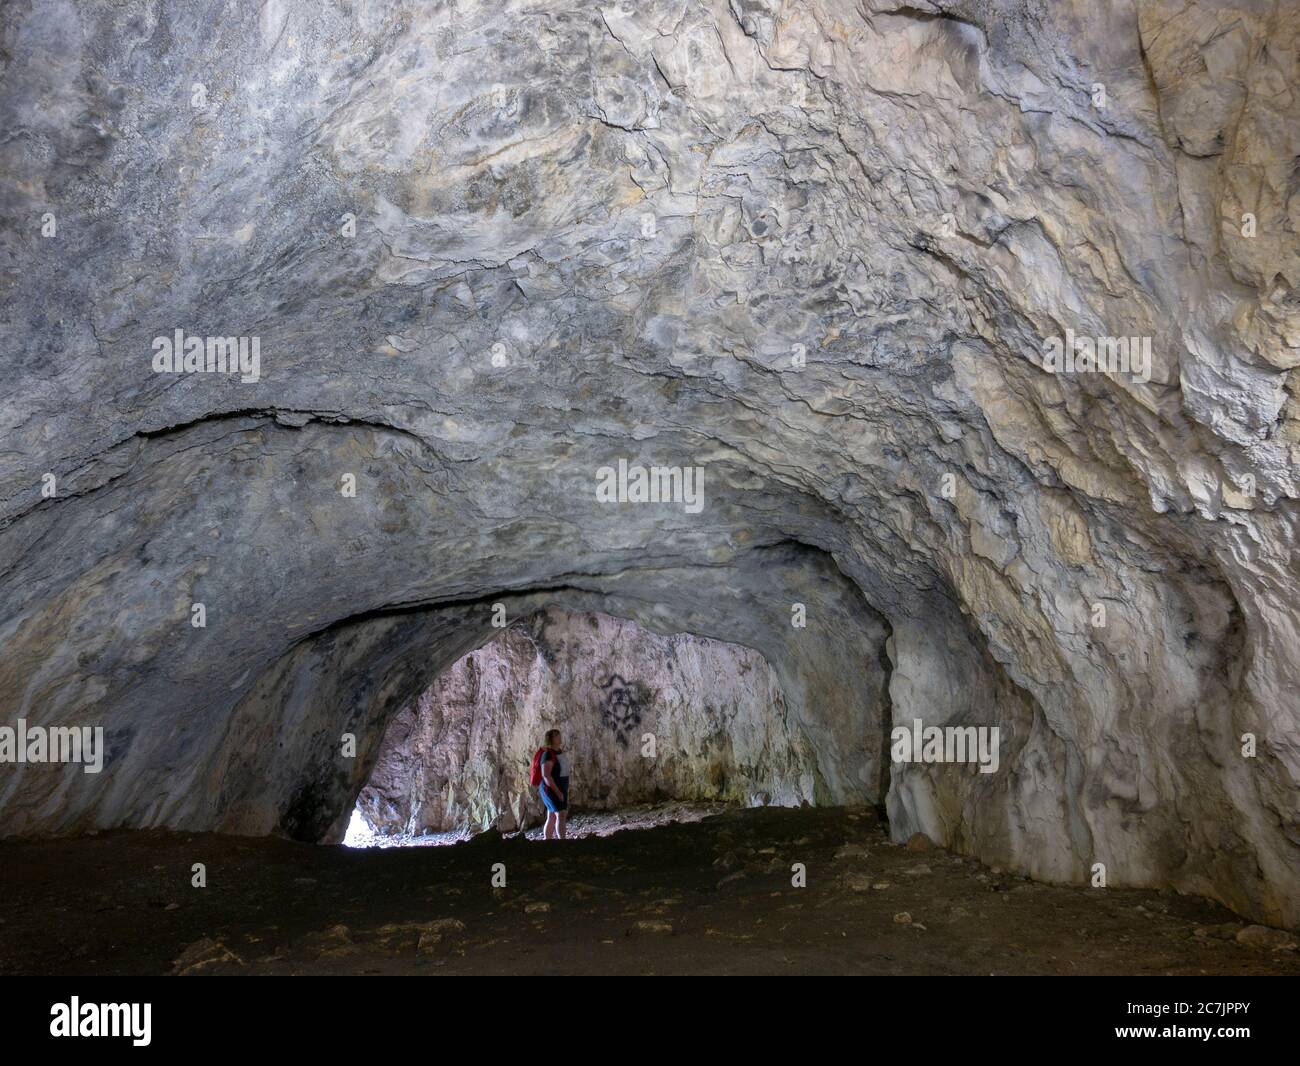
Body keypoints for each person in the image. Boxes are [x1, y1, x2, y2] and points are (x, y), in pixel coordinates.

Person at [538, 729, 569, 840]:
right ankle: (562, 842)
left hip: (560, 786)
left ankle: (548, 841)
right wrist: (558, 792)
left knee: (552, 815)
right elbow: (546, 775)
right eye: (556, 736)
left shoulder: (559, 752)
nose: (559, 737)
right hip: (550, 788)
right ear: (550, 739)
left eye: (559, 735)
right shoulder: (548, 754)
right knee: (560, 814)